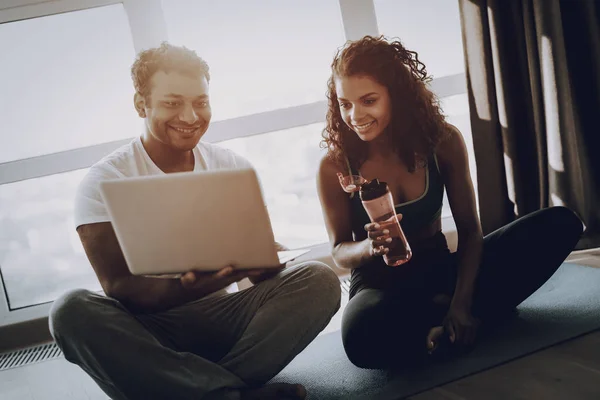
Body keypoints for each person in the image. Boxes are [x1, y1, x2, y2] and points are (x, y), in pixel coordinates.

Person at [48, 42, 341, 400]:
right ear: (141, 104)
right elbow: (119, 287)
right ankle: (229, 394)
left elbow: (257, 274)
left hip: (226, 320)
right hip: (150, 334)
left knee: (320, 279)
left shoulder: (231, 167)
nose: (190, 116)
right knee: (70, 310)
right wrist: (188, 287)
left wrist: (264, 256)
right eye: (172, 103)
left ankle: (189, 390)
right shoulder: (102, 181)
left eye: (200, 102)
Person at [317, 35, 583, 369]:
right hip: (380, 287)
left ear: (396, 96)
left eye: (368, 100)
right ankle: (455, 323)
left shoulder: (442, 142)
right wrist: (370, 247)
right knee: (360, 336)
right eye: (345, 103)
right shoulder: (334, 165)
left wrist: (461, 301)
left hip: (442, 271)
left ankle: (440, 324)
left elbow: (471, 230)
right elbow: (341, 249)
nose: (355, 115)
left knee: (560, 223)